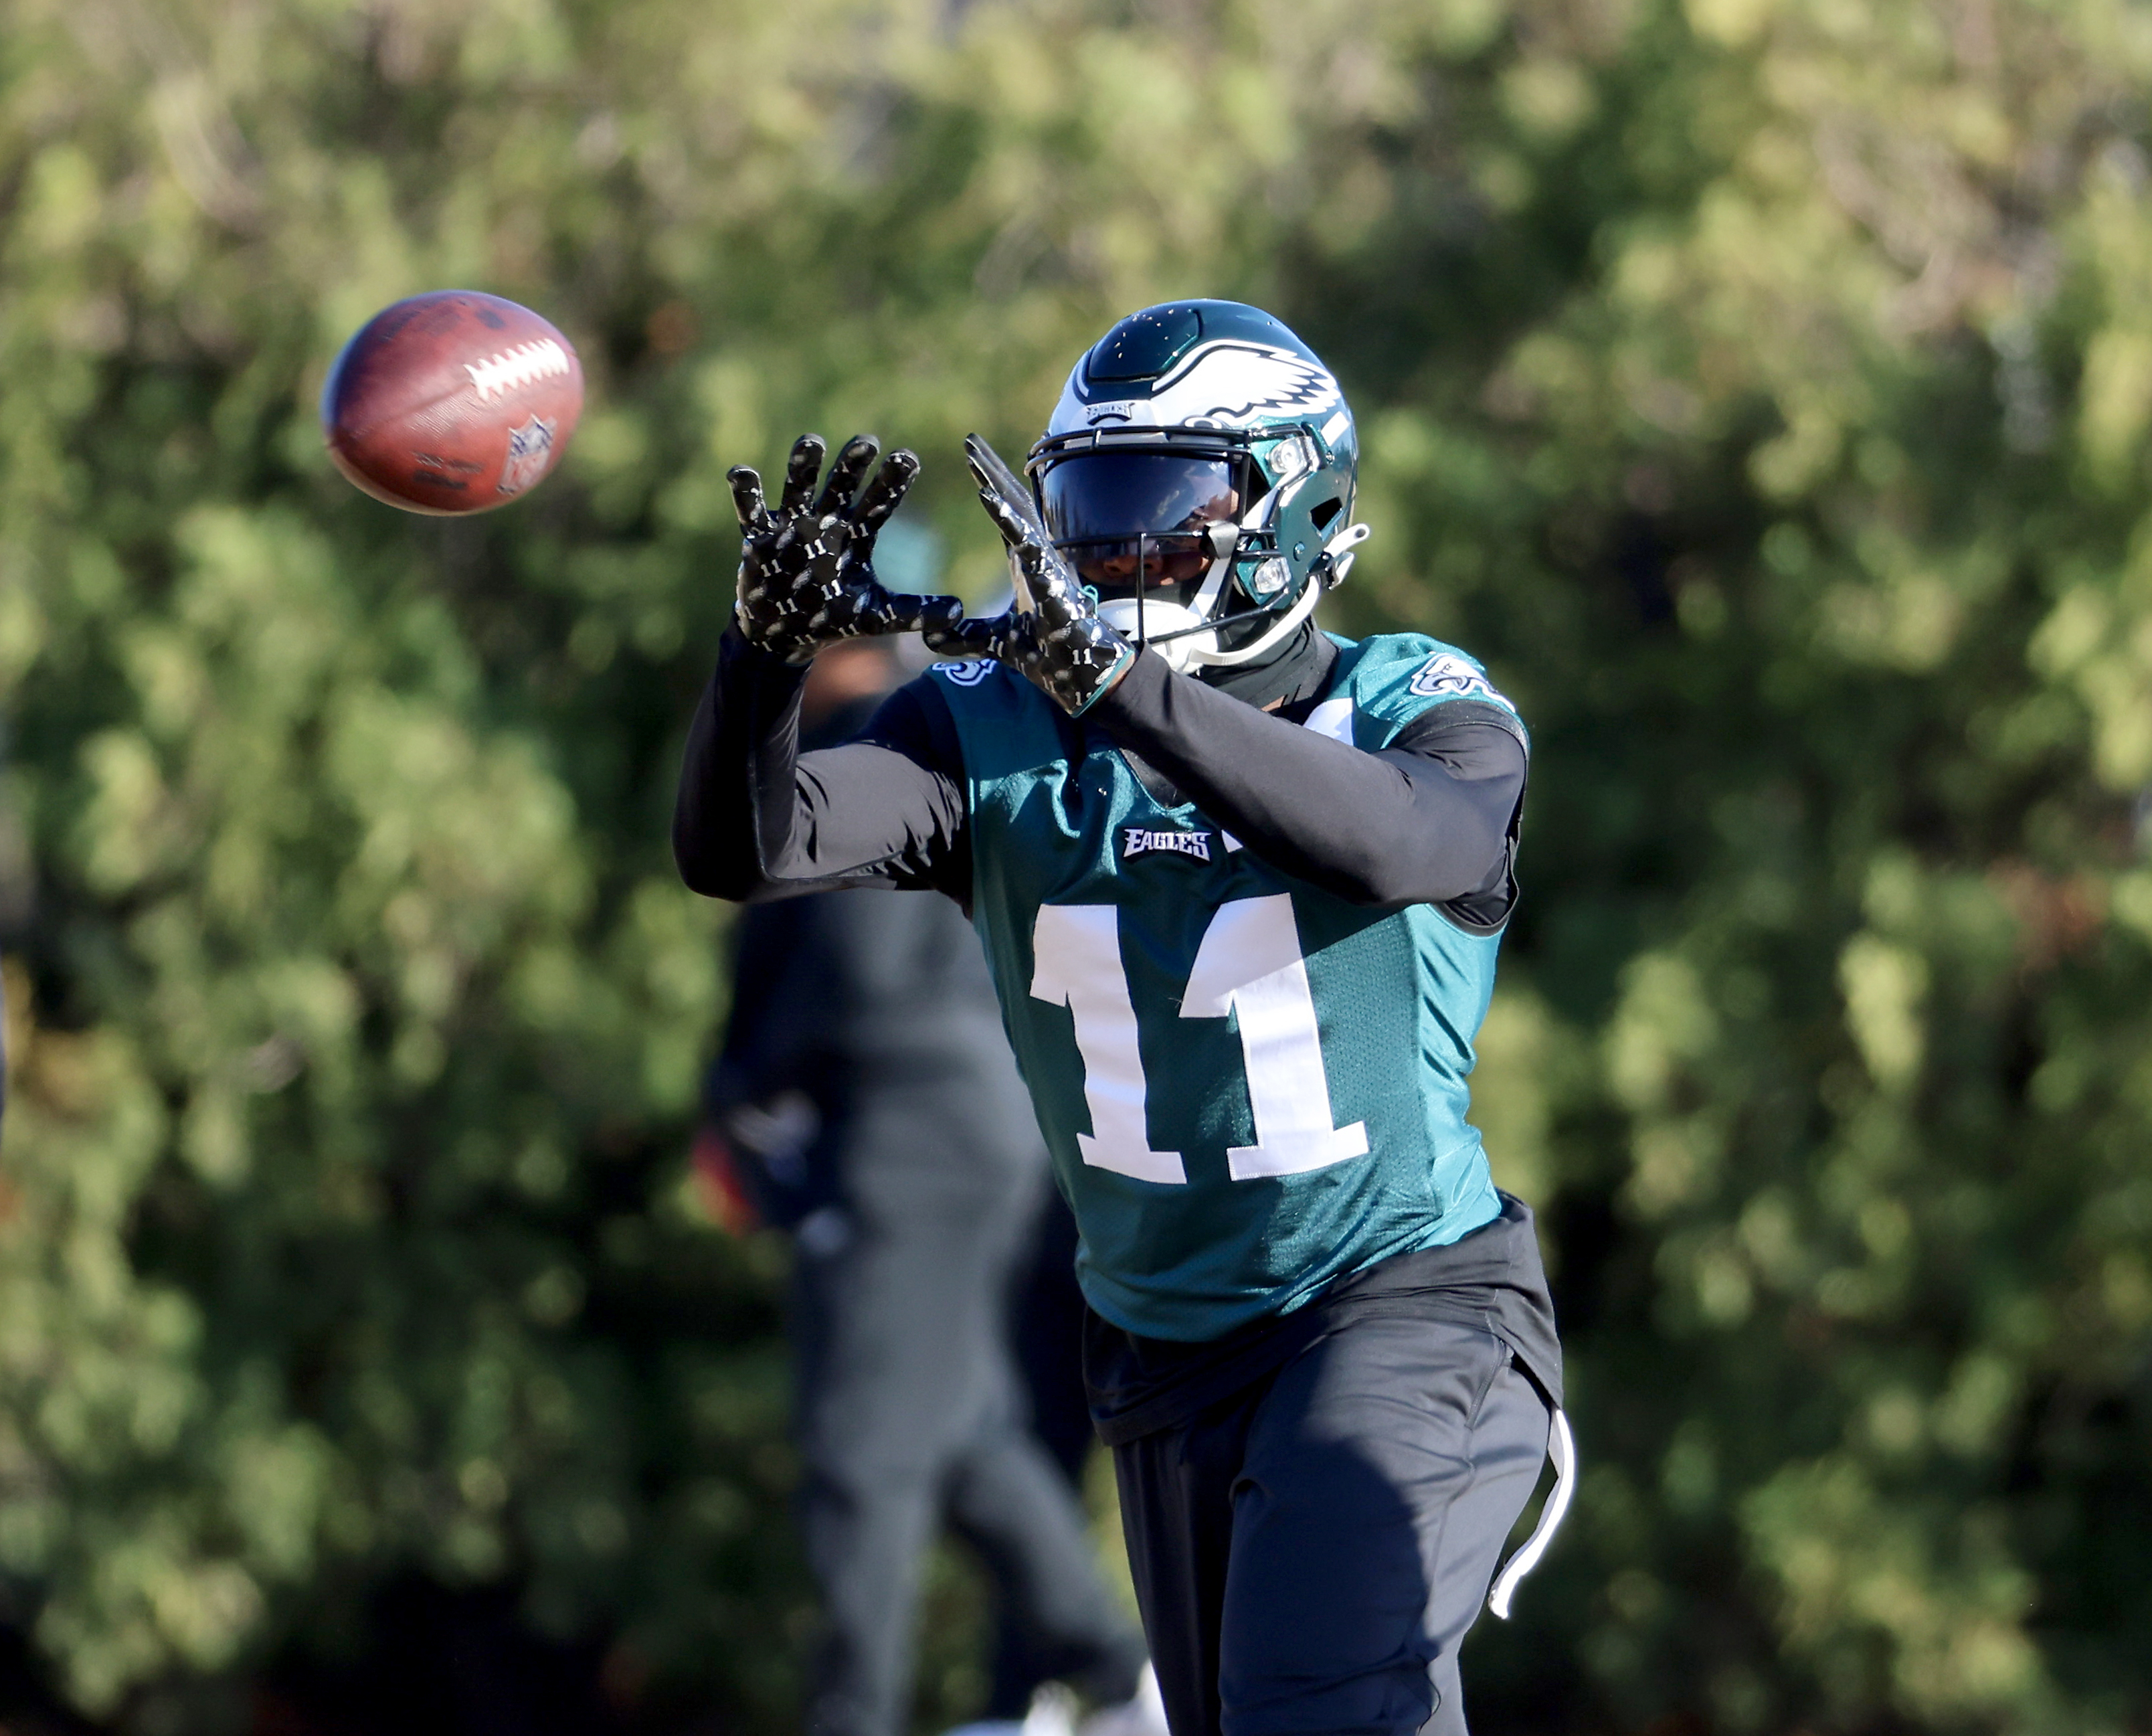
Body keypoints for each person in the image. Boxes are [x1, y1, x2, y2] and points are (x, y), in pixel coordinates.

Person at [675, 300, 1575, 1736]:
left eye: (1162, 517)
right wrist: (760, 666)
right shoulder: (1003, 732)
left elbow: (1404, 845)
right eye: (1087, 516)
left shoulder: (1415, 703)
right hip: (1167, 1351)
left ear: (1299, 512)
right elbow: (751, 846)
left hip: (1402, 1304)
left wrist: (1135, 692)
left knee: (1327, 1711)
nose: (1112, 561)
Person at [697, 638, 1153, 1736]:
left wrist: (755, 1093)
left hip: (911, 1134)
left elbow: (858, 972)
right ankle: (1122, 1677)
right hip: (969, 1126)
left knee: (864, 1451)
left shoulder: (872, 742)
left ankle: (855, 1718)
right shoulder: (908, 739)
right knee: (962, 1431)